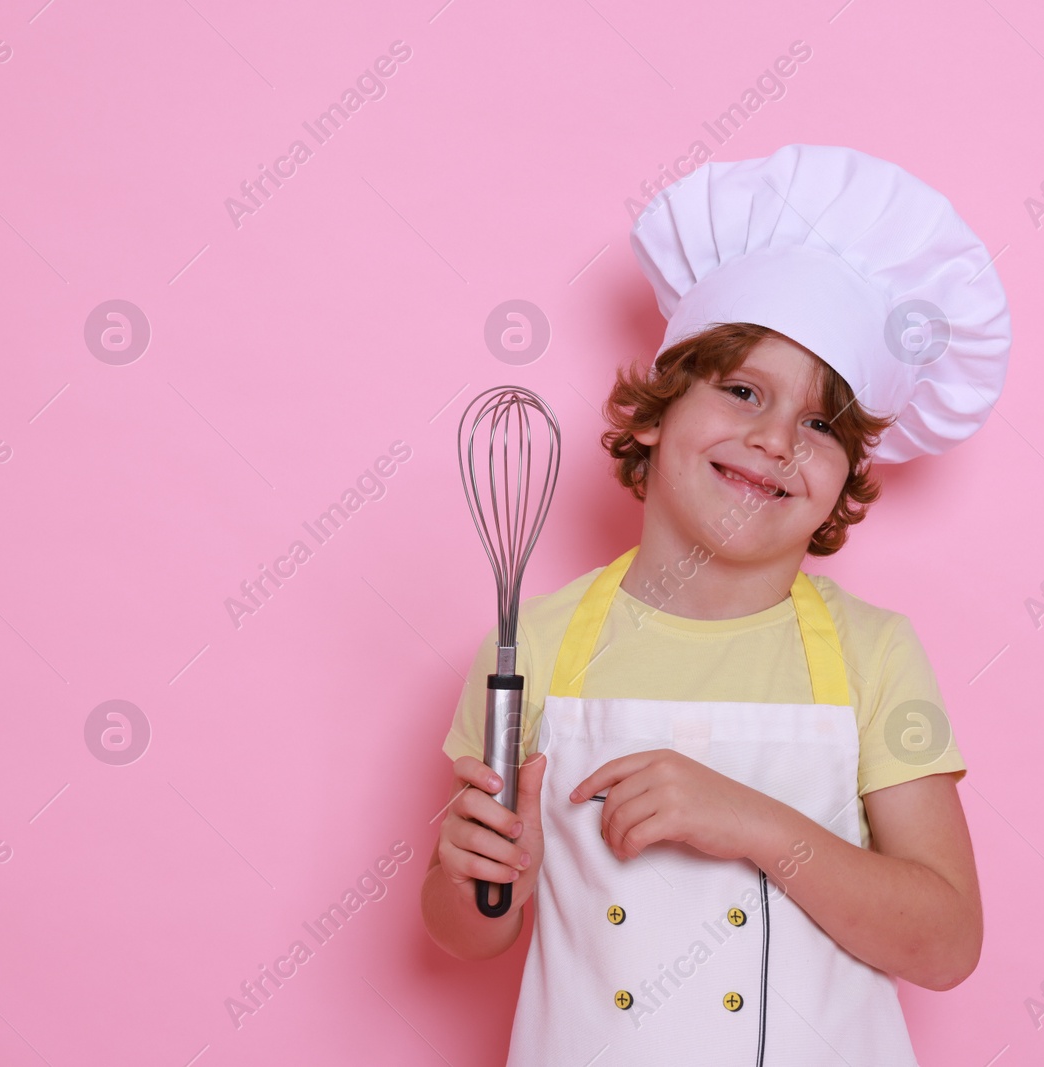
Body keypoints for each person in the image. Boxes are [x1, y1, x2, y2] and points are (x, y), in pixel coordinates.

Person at [421, 143, 1012, 1065]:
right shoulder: (534, 644)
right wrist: (475, 878)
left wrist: (758, 823)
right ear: (656, 413)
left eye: (821, 423)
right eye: (743, 390)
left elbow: (945, 943)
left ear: (845, 476)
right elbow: (468, 937)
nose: (775, 439)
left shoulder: (873, 654)